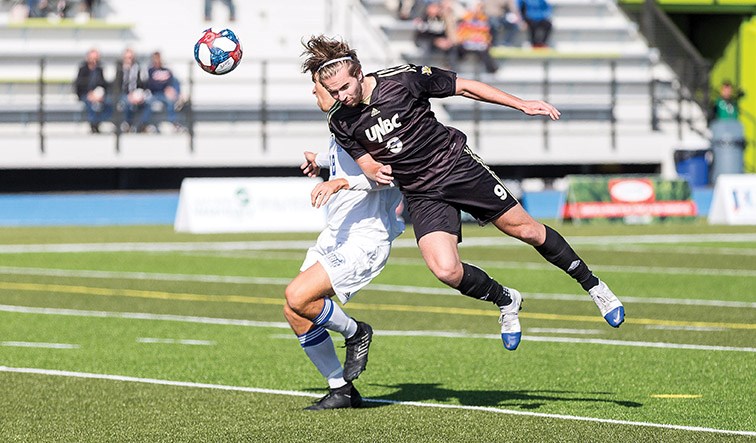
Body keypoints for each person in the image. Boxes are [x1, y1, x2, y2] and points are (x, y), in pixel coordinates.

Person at [301, 35, 625, 352]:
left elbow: (466, 86)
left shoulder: (404, 80)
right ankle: (506, 299)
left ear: (359, 73)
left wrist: (521, 104)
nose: (341, 96)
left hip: (457, 168)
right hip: (420, 192)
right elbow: (367, 164)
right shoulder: (341, 122)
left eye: (345, 87)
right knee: (446, 270)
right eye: (333, 92)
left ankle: (595, 287)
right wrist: (372, 171)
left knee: (527, 230)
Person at [284, 76, 406, 410]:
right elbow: (346, 161)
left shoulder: (373, 121)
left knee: (297, 295)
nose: (313, 92)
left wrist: (341, 183)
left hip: (366, 237)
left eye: (317, 86)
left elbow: (395, 172)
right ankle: (341, 389)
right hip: (336, 233)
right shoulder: (340, 124)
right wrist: (321, 161)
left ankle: (355, 332)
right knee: (295, 311)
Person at [136, 51, 183, 133]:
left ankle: (174, 123)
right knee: (149, 104)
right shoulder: (150, 71)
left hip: (164, 94)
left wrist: (172, 90)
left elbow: (172, 82)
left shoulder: (167, 70)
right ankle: (143, 124)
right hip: (154, 94)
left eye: (158, 58)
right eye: (155, 59)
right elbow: (150, 85)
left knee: (170, 103)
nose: (157, 61)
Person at [452, 0, 498, 73]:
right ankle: (452, 69)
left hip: (479, 44)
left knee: (485, 52)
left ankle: (492, 72)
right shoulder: (465, 18)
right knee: (456, 49)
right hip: (467, 43)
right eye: (476, 8)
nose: (477, 10)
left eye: (480, 8)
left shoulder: (485, 19)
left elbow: (487, 35)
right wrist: (467, 38)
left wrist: (484, 40)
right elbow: (460, 33)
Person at [74, 48, 112, 134]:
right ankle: (93, 125)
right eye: (92, 58)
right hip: (85, 94)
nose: (94, 60)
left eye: (96, 58)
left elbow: (103, 84)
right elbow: (79, 84)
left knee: (109, 103)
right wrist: (90, 94)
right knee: (90, 104)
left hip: (98, 94)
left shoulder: (100, 69)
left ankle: (98, 122)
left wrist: (101, 95)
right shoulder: (83, 69)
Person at [413, 1, 456, 68]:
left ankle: (450, 68)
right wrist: (435, 40)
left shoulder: (441, 18)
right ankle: (424, 70)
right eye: (433, 7)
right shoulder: (423, 18)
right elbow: (423, 34)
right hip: (425, 40)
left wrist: (445, 41)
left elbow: (443, 31)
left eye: (437, 7)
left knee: (452, 47)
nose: (435, 9)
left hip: (437, 41)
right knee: (426, 48)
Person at [113, 48, 146, 133]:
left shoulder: (137, 68)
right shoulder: (119, 68)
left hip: (135, 93)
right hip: (123, 94)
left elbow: (142, 84)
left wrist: (138, 94)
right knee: (126, 103)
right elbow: (117, 85)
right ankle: (127, 124)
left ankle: (137, 126)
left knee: (147, 104)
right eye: (127, 58)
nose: (129, 60)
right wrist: (125, 71)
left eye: (131, 58)